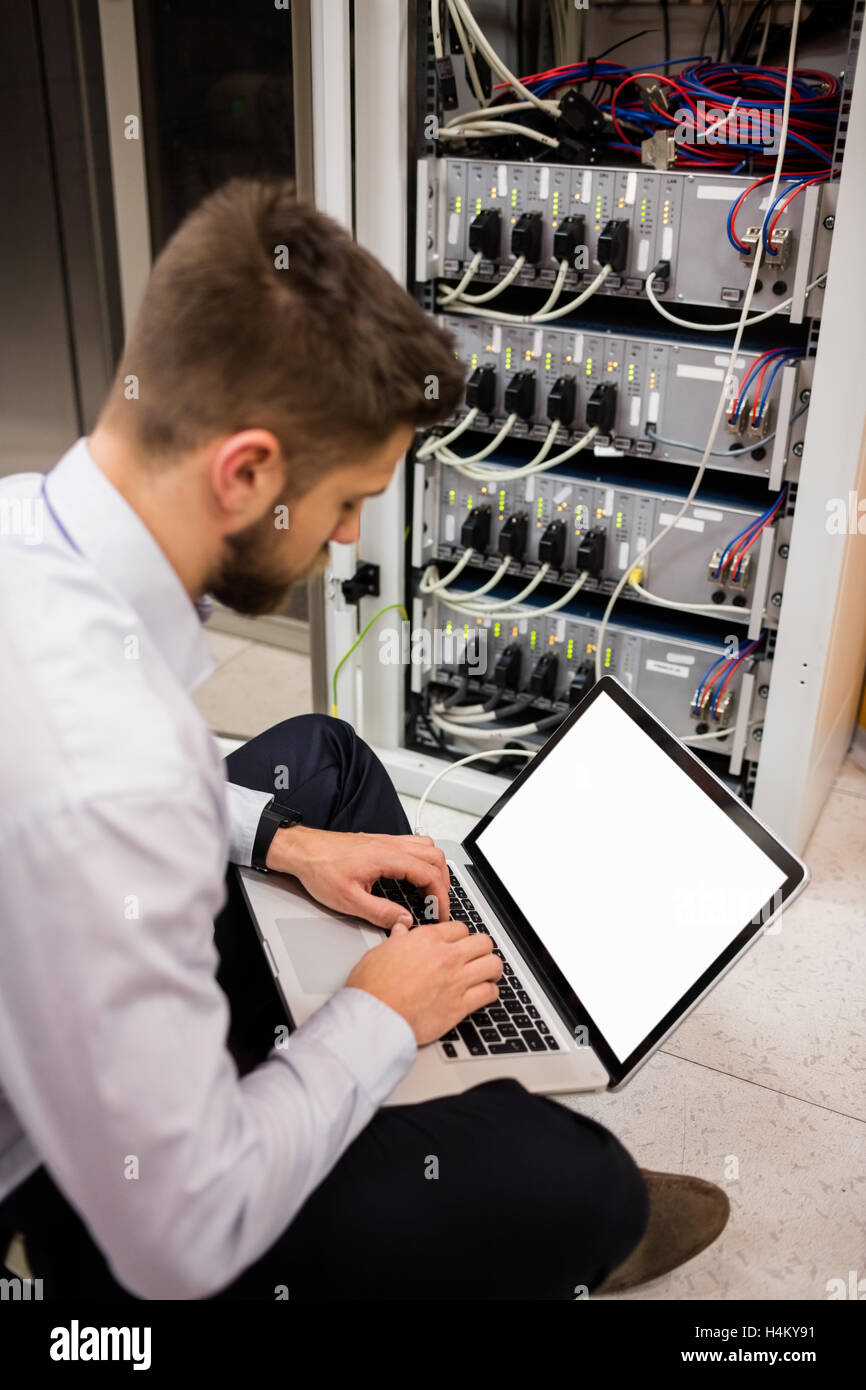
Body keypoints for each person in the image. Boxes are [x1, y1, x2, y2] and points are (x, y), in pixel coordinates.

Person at [0, 178, 728, 1300]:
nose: (347, 541)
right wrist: (371, 1016)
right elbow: (181, 1239)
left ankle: (410, 1083)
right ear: (245, 469)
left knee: (323, 760)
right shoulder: (112, 768)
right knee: (582, 1184)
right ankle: (432, 1107)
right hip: (83, 1196)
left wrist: (284, 843)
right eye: (345, 500)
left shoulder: (23, 524)